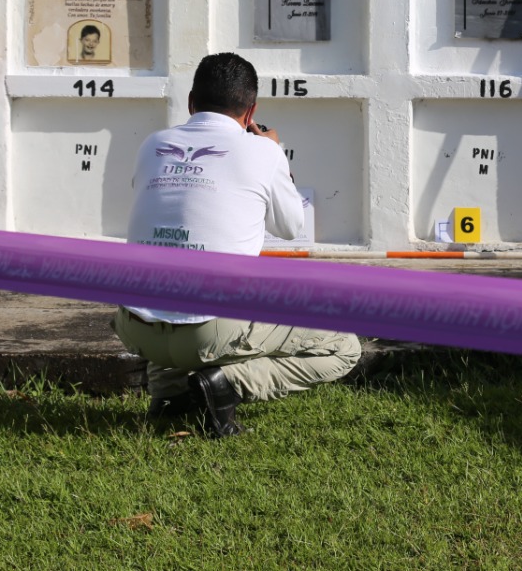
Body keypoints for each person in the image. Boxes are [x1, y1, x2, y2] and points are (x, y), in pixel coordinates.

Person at [114, 52, 361, 437]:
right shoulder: (263, 151)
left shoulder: (153, 144)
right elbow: (290, 225)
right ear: (251, 112)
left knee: (173, 265)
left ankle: (167, 398)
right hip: (209, 331)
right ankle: (227, 383)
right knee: (343, 347)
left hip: (135, 325)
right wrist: (276, 156)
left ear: (192, 102)